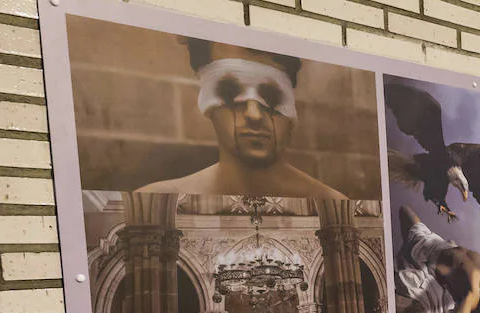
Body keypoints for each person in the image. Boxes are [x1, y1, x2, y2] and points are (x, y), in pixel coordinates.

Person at [138, 39, 345, 199]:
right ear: (207, 106)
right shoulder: (154, 205)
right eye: (229, 94)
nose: (253, 115)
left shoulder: (334, 206)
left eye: (272, 97)